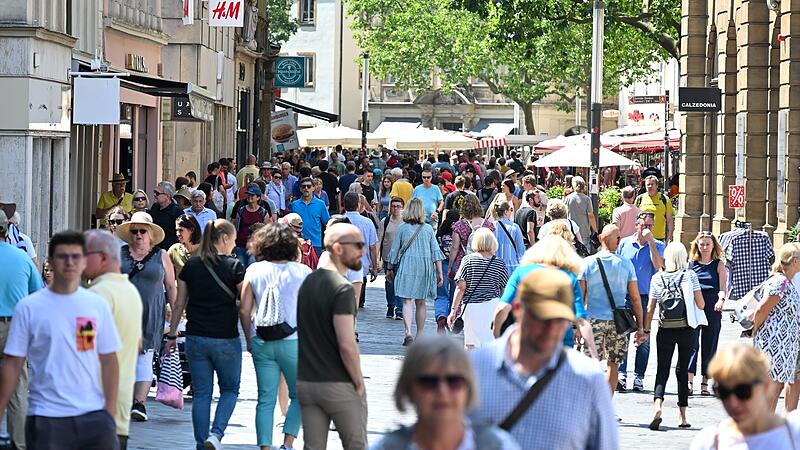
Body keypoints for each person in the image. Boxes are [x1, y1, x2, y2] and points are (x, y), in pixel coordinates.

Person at [470, 267, 618, 449]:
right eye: (541, 317)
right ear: (517, 309)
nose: (551, 329)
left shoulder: (588, 380)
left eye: (560, 320)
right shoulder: (476, 368)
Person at [0, 231, 121, 449]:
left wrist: (110, 413)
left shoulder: (97, 305)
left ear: (84, 261)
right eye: (62, 256)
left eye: (75, 256)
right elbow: (12, 363)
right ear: (50, 262)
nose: (69, 263)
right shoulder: (29, 307)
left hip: (92, 416)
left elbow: (110, 359)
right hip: (46, 417)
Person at [166, 219, 245, 450]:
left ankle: (202, 444)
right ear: (224, 239)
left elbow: (179, 303)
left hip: (196, 337)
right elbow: (246, 302)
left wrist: (172, 336)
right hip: (226, 338)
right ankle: (216, 435)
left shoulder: (191, 265)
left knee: (201, 394)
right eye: (233, 239)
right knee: (230, 390)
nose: (234, 244)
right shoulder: (235, 267)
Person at [371, 337, 519, 450]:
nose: (442, 391)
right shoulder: (386, 447)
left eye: (454, 381)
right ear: (408, 388)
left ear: (468, 388)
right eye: (429, 381)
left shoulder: (498, 445)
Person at [239, 223, 311, 450]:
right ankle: (287, 444)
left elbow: (244, 309)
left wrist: (249, 339)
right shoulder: (303, 272)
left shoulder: (254, 270)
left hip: (262, 340)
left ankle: (265, 446)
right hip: (293, 341)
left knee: (265, 400)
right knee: (300, 396)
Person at [296, 223, 367, 449]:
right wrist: (358, 381)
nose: (362, 250)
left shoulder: (308, 282)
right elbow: (346, 344)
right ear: (337, 248)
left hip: (307, 380)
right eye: (356, 245)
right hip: (336, 381)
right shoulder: (342, 289)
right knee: (355, 444)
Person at [83, 229, 143, 450]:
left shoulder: (94, 296)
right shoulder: (131, 293)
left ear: (103, 257)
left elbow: (83, 348)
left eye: (85, 254)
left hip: (93, 406)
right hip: (120, 406)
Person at [491, 235, 596, 358]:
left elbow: (502, 308)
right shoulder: (569, 278)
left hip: (527, 341)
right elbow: (582, 320)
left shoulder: (521, 272)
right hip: (561, 343)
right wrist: (595, 357)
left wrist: (497, 335)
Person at [118, 212, 177, 422]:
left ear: (150, 233)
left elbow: (170, 285)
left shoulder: (161, 256)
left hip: (151, 313)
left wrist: (175, 313)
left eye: (143, 231)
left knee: (145, 357)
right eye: (134, 231)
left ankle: (139, 404)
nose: (139, 235)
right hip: (122, 315)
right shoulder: (120, 254)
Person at [579, 224, 645, 402]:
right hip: (618, 323)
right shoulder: (625, 264)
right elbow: (635, 299)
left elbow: (580, 298)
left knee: (589, 364)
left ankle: (589, 403)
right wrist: (641, 327)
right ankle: (606, 405)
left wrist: (576, 324)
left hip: (593, 319)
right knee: (613, 364)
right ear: (616, 240)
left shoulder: (587, 263)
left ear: (601, 239)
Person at [690, 343, 800, 449]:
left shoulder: (795, 433)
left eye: (742, 391)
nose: (733, 402)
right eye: (723, 392)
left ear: (766, 386)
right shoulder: (708, 443)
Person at [644, 242, 704, 430]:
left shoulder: (657, 278)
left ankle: (657, 406)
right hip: (686, 328)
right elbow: (701, 304)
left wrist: (645, 330)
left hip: (665, 328)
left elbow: (650, 307)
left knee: (662, 369)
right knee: (682, 370)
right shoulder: (690, 275)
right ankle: (682, 416)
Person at [0, 209, 43, 448]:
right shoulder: (22, 257)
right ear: (7, 230)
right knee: (17, 391)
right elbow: (38, 296)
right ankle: (18, 443)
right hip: (14, 327)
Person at [616, 211, 665, 392]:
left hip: (646, 297)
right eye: (644, 225)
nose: (646, 229)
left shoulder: (658, 245)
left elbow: (659, 266)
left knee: (644, 337)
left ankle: (639, 376)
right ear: (636, 225)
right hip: (625, 296)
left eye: (650, 226)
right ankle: (622, 374)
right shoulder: (625, 243)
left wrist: (651, 241)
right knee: (624, 335)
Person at [387, 198, 445, 346]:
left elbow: (394, 250)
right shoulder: (427, 229)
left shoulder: (402, 228)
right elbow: (435, 251)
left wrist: (389, 268)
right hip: (424, 267)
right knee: (421, 302)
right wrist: (439, 272)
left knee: (406, 301)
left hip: (407, 265)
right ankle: (419, 335)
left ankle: (408, 333)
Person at [752, 242, 800, 411]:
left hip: (783, 345)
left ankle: (767, 426)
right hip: (773, 344)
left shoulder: (787, 281)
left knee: (775, 386)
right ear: (794, 261)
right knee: (771, 387)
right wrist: (754, 329)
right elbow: (761, 309)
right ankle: (763, 428)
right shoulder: (780, 281)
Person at [448, 229, 509, 349]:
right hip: (492, 307)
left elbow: (460, 288)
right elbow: (504, 289)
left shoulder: (468, 260)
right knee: (491, 344)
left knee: (471, 344)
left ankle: (471, 367)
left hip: (472, 308)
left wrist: (454, 309)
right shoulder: (499, 263)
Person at [687, 231, 728, 396]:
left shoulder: (719, 264)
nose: (704, 247)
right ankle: (689, 381)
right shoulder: (691, 264)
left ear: (713, 246)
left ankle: (705, 381)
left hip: (713, 307)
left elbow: (723, 287)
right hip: (695, 307)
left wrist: (721, 300)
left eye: (707, 244)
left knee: (710, 344)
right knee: (691, 344)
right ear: (697, 245)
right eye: (701, 244)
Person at [378, 196, 405, 320]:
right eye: (393, 206)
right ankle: (390, 305)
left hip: (402, 257)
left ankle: (399, 309)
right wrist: (377, 258)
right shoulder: (385, 221)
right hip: (387, 256)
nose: (395, 209)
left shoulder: (406, 222)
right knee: (390, 283)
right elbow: (380, 239)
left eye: (398, 206)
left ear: (402, 208)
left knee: (400, 283)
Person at [291, 177, 331, 258]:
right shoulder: (294, 205)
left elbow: (327, 223)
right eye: (303, 186)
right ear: (300, 189)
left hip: (315, 243)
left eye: (309, 186)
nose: (306, 188)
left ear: (313, 188)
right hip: (298, 243)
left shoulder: (320, 204)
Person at [234, 183, 268, 267]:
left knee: (252, 267)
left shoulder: (263, 212)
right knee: (240, 268)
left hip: (256, 247)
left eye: (252, 195)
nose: (249, 197)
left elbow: (267, 231)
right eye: (248, 195)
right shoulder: (241, 211)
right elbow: (235, 228)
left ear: (258, 197)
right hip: (241, 245)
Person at [634, 175, 674, 242]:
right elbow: (635, 219)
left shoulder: (664, 199)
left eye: (652, 184)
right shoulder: (640, 199)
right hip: (643, 237)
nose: (650, 186)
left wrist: (670, 237)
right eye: (648, 184)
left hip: (659, 238)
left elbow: (669, 220)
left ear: (657, 186)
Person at [491, 200, 525, 275]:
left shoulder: (492, 226)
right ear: (505, 212)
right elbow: (520, 249)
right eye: (511, 210)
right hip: (511, 265)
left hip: (495, 265)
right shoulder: (514, 227)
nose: (511, 212)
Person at [564, 176, 597, 250]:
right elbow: (590, 216)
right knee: (584, 254)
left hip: (571, 230)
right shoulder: (587, 199)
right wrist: (595, 229)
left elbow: (564, 213)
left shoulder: (568, 198)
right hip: (584, 231)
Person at [149, 181, 184, 250]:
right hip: (153, 249)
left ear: (167, 196)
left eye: (157, 193)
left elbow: (181, 233)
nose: (154, 195)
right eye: (154, 192)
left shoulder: (177, 212)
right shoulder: (154, 207)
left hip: (169, 251)